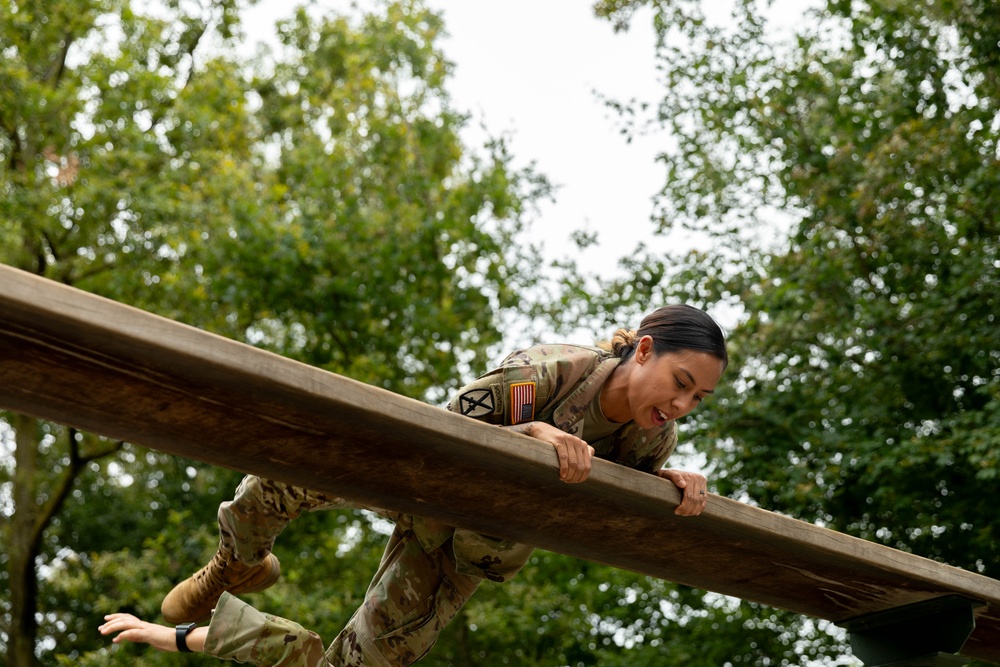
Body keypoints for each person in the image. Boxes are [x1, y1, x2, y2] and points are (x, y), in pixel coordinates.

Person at [100, 304, 728, 666]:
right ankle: (233, 565)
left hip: (460, 549)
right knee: (280, 480)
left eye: (697, 398)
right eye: (680, 383)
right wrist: (534, 432)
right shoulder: (553, 371)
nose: (682, 404)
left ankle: (200, 629)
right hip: (425, 478)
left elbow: (617, 512)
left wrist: (670, 486)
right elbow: (451, 426)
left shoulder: (653, 442)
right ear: (642, 351)